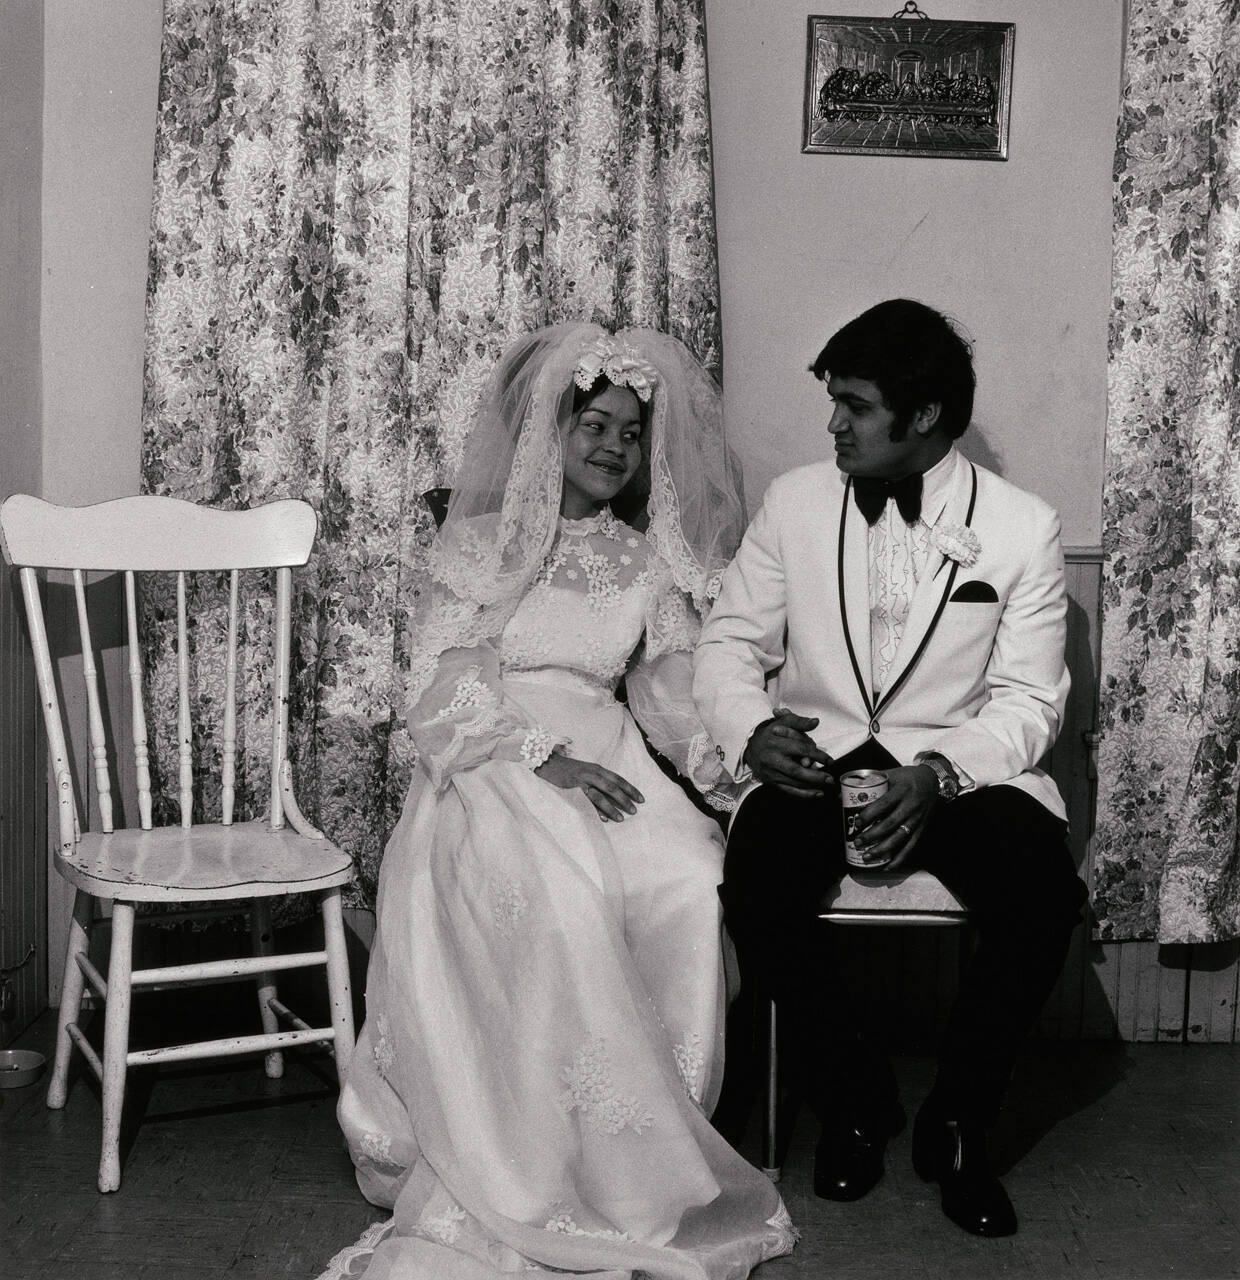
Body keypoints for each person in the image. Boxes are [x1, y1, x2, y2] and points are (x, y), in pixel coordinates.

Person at [319, 323, 796, 1280]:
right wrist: (542, 760)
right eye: (596, 426)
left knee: (686, 878)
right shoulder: (483, 545)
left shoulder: (646, 562)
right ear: (553, 428)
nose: (615, 447)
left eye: (632, 433)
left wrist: (739, 770)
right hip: (489, 758)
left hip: (607, 750)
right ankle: (534, 1153)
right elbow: (439, 684)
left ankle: (645, 1158)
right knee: (559, 895)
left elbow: (668, 695)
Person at [692, 298, 1088, 1239]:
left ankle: (958, 1121)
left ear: (925, 415)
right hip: (820, 757)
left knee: (1043, 897)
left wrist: (940, 773)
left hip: (959, 767)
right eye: (833, 400)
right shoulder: (793, 502)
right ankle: (856, 1098)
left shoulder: (1022, 526)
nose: (834, 423)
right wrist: (752, 728)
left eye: (856, 406)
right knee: (757, 884)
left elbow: (1030, 703)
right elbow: (728, 645)